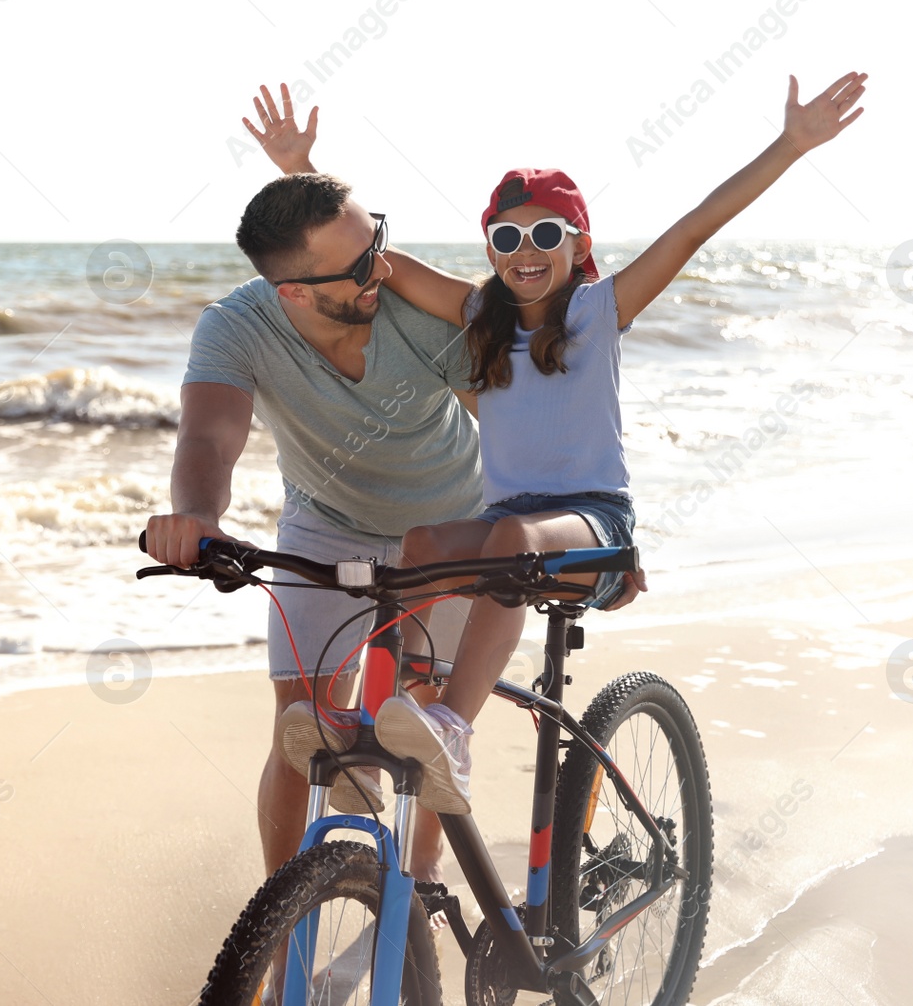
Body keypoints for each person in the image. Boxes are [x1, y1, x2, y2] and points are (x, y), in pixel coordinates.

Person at [256, 72, 868, 814]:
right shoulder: (481, 313)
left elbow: (694, 226)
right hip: (507, 530)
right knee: (419, 545)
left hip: (594, 527)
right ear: (491, 248)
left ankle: (451, 725)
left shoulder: (601, 308)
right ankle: (394, 722)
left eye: (547, 234)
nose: (526, 249)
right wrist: (299, 170)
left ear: (579, 246)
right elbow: (372, 262)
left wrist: (792, 144)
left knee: (509, 535)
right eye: (507, 237)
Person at [148, 83, 596, 880]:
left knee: (425, 722)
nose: (381, 268)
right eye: (360, 265)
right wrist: (194, 514)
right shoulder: (236, 326)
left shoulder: (414, 314)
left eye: (378, 241)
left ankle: (417, 894)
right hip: (328, 521)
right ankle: (282, 928)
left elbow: (516, 427)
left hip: (451, 519)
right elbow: (210, 434)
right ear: (294, 294)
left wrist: (576, 521)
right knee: (301, 730)